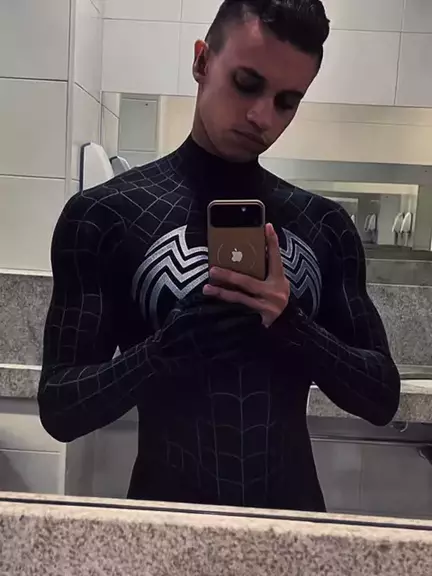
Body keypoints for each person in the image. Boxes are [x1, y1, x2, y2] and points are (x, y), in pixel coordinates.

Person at [38, 0, 400, 511]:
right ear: (203, 61)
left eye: (287, 101)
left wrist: (292, 324)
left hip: (293, 533)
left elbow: (382, 396)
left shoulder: (324, 225)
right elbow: (60, 407)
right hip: (167, 529)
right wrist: (164, 350)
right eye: (247, 84)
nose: (262, 116)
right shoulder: (105, 216)